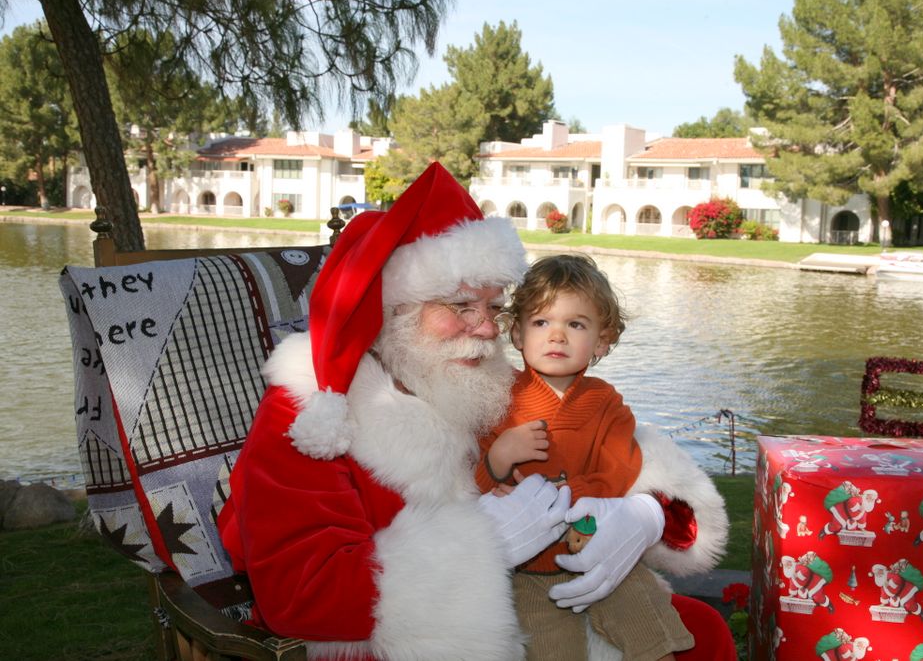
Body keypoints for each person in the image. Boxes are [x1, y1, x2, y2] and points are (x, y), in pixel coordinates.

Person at [217, 162, 735, 660]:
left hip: (539, 594)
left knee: (702, 631)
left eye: (492, 308)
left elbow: (609, 449)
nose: (486, 330)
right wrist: (481, 544)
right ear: (395, 309)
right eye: (462, 307)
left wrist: (646, 514)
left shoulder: (489, 381)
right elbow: (299, 593)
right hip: (403, 638)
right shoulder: (310, 413)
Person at [476, 253, 696, 660]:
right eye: (541, 322)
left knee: (648, 626)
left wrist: (566, 494)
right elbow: (470, 485)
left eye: (575, 324)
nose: (556, 336)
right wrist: (498, 460)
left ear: (602, 340)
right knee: (547, 647)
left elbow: (618, 472)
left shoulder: (605, 403)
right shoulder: (497, 399)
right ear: (518, 334)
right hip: (526, 569)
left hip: (602, 552)